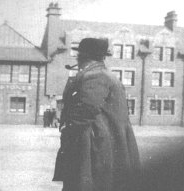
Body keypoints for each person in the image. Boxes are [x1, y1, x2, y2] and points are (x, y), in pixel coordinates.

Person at [53, 38, 140, 191]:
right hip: (100, 142)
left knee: (89, 184)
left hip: (95, 144)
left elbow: (86, 110)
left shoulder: (95, 75)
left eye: (79, 55)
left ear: (83, 56)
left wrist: (67, 127)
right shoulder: (100, 73)